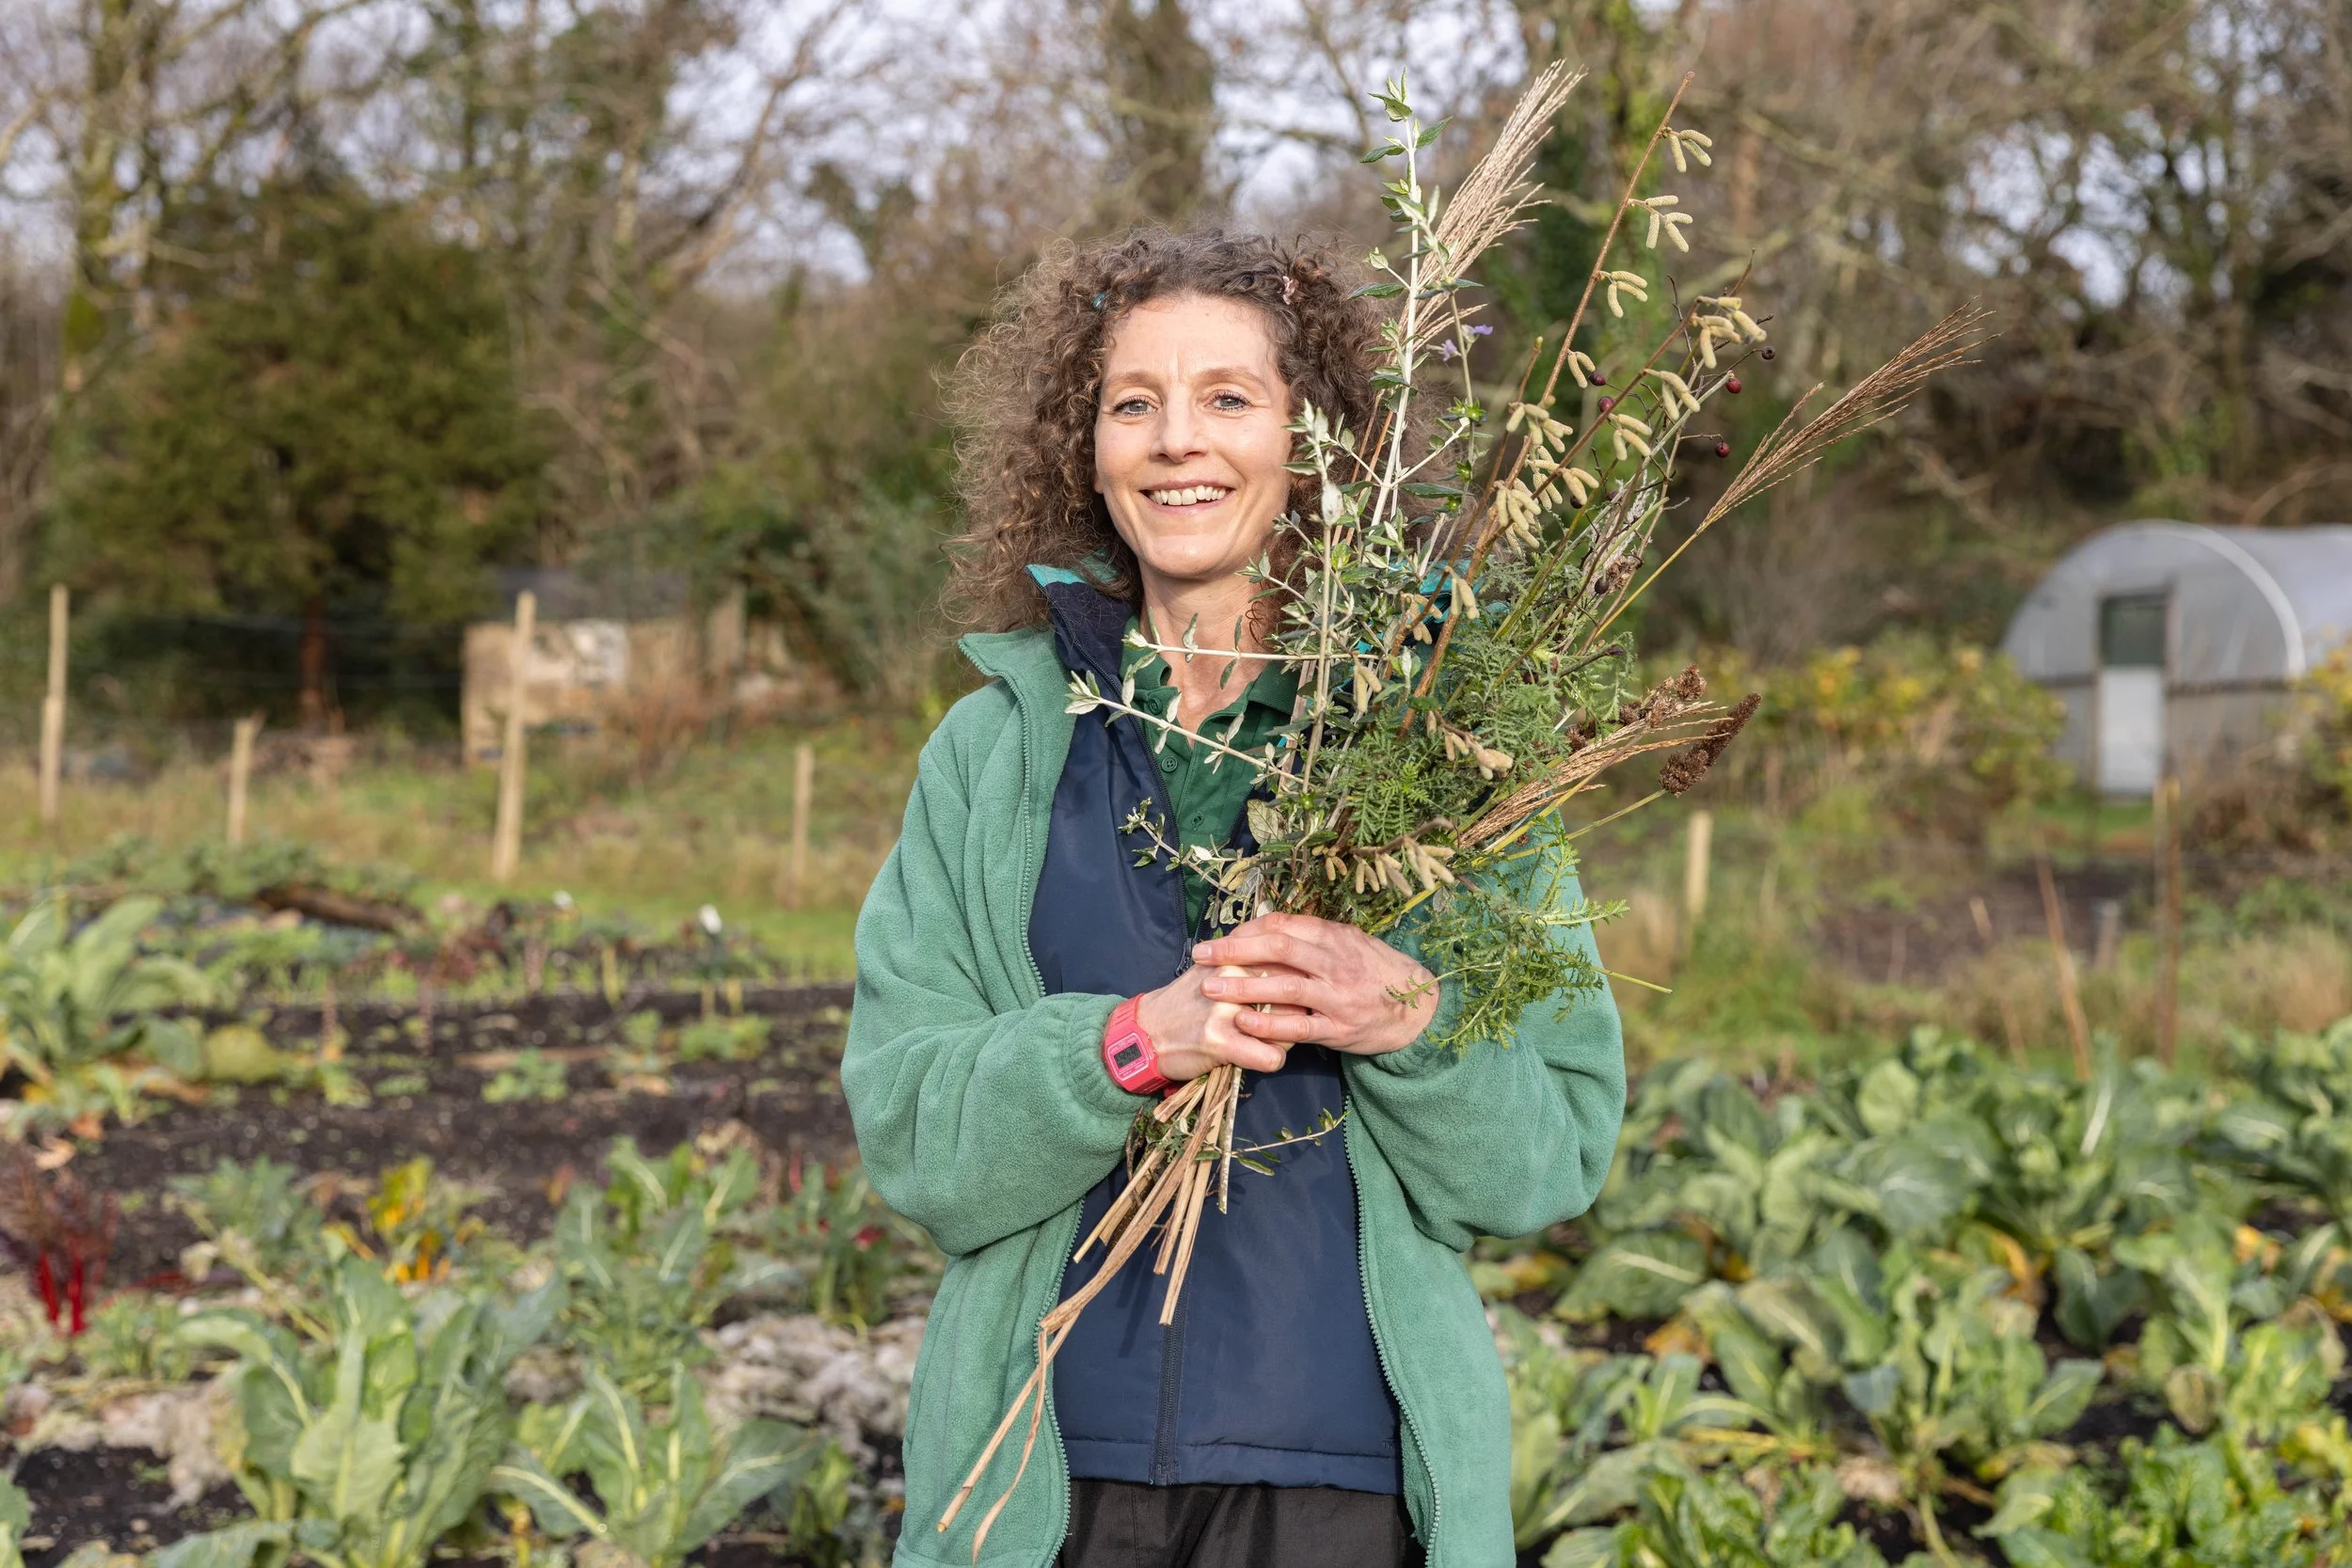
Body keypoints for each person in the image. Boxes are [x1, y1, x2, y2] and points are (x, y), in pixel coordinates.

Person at [842, 229, 1626, 1568]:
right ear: (1083, 447)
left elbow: (1548, 1151)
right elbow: (914, 1134)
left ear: (1310, 439)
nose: (1173, 441)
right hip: (1043, 1487)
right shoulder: (990, 756)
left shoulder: (1435, 744)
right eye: (1132, 402)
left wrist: (1412, 1020)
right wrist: (1130, 1042)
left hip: (1342, 1490)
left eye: (1227, 398)